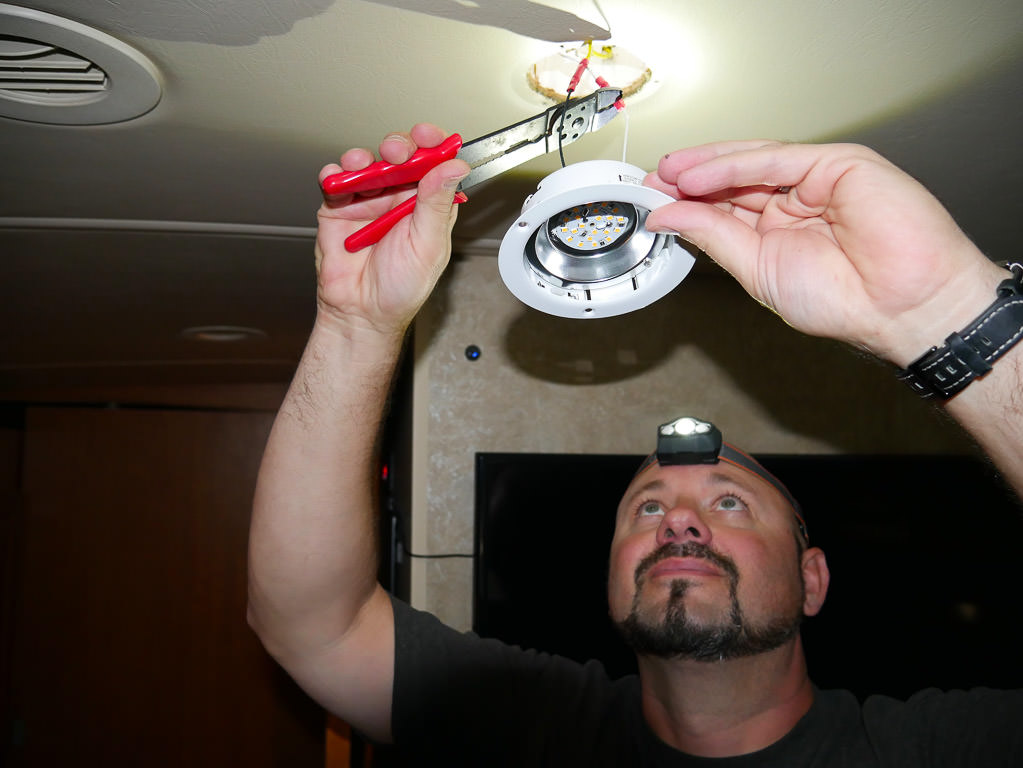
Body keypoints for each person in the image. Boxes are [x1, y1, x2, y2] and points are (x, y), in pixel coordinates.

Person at [247, 125, 1023, 765]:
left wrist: (937, 313)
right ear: (611, 577)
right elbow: (314, 627)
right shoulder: (532, 727)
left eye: (729, 503)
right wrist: (356, 327)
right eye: (646, 508)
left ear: (811, 579)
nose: (677, 522)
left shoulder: (946, 748)